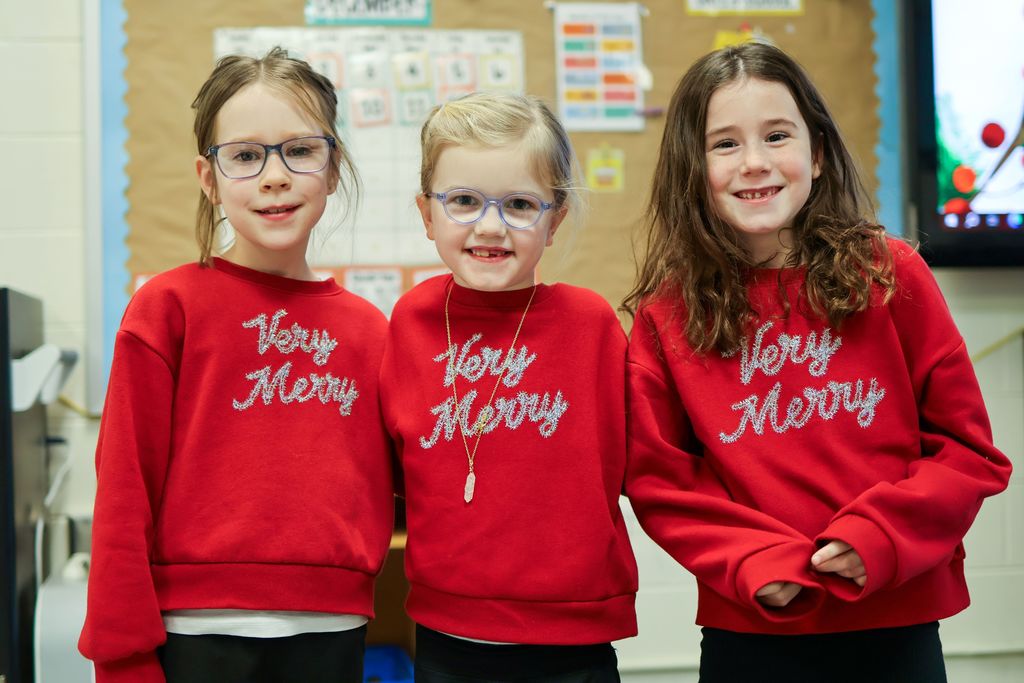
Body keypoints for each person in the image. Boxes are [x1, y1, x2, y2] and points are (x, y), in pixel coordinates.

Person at [622, 41, 1012, 683]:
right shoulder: (668, 313)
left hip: (895, 621)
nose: (753, 163)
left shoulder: (890, 274)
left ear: (819, 153)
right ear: (692, 168)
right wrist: (751, 560)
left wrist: (880, 539)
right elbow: (661, 482)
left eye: (777, 135)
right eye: (724, 144)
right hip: (750, 628)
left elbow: (969, 451)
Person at [78, 47, 394, 683]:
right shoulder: (166, 308)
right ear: (208, 177)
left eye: (300, 150)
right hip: (192, 633)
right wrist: (122, 656)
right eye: (246, 156)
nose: (274, 176)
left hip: (332, 629)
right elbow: (121, 489)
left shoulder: (371, 331)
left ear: (333, 169)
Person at [379, 92, 638, 682]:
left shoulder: (590, 324)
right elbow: (395, 468)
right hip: (447, 639)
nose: (490, 226)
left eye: (521, 204)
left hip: (574, 642)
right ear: (426, 214)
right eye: (463, 201)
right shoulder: (410, 321)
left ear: (555, 219)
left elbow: (638, 462)